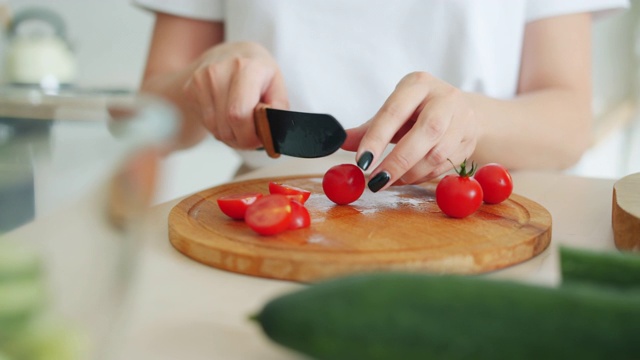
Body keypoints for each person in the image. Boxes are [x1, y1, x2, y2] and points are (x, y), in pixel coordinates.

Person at [134, 0, 628, 193]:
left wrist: (472, 118)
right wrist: (206, 79)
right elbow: (145, 119)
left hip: (482, 220)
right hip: (275, 227)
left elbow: (568, 124)